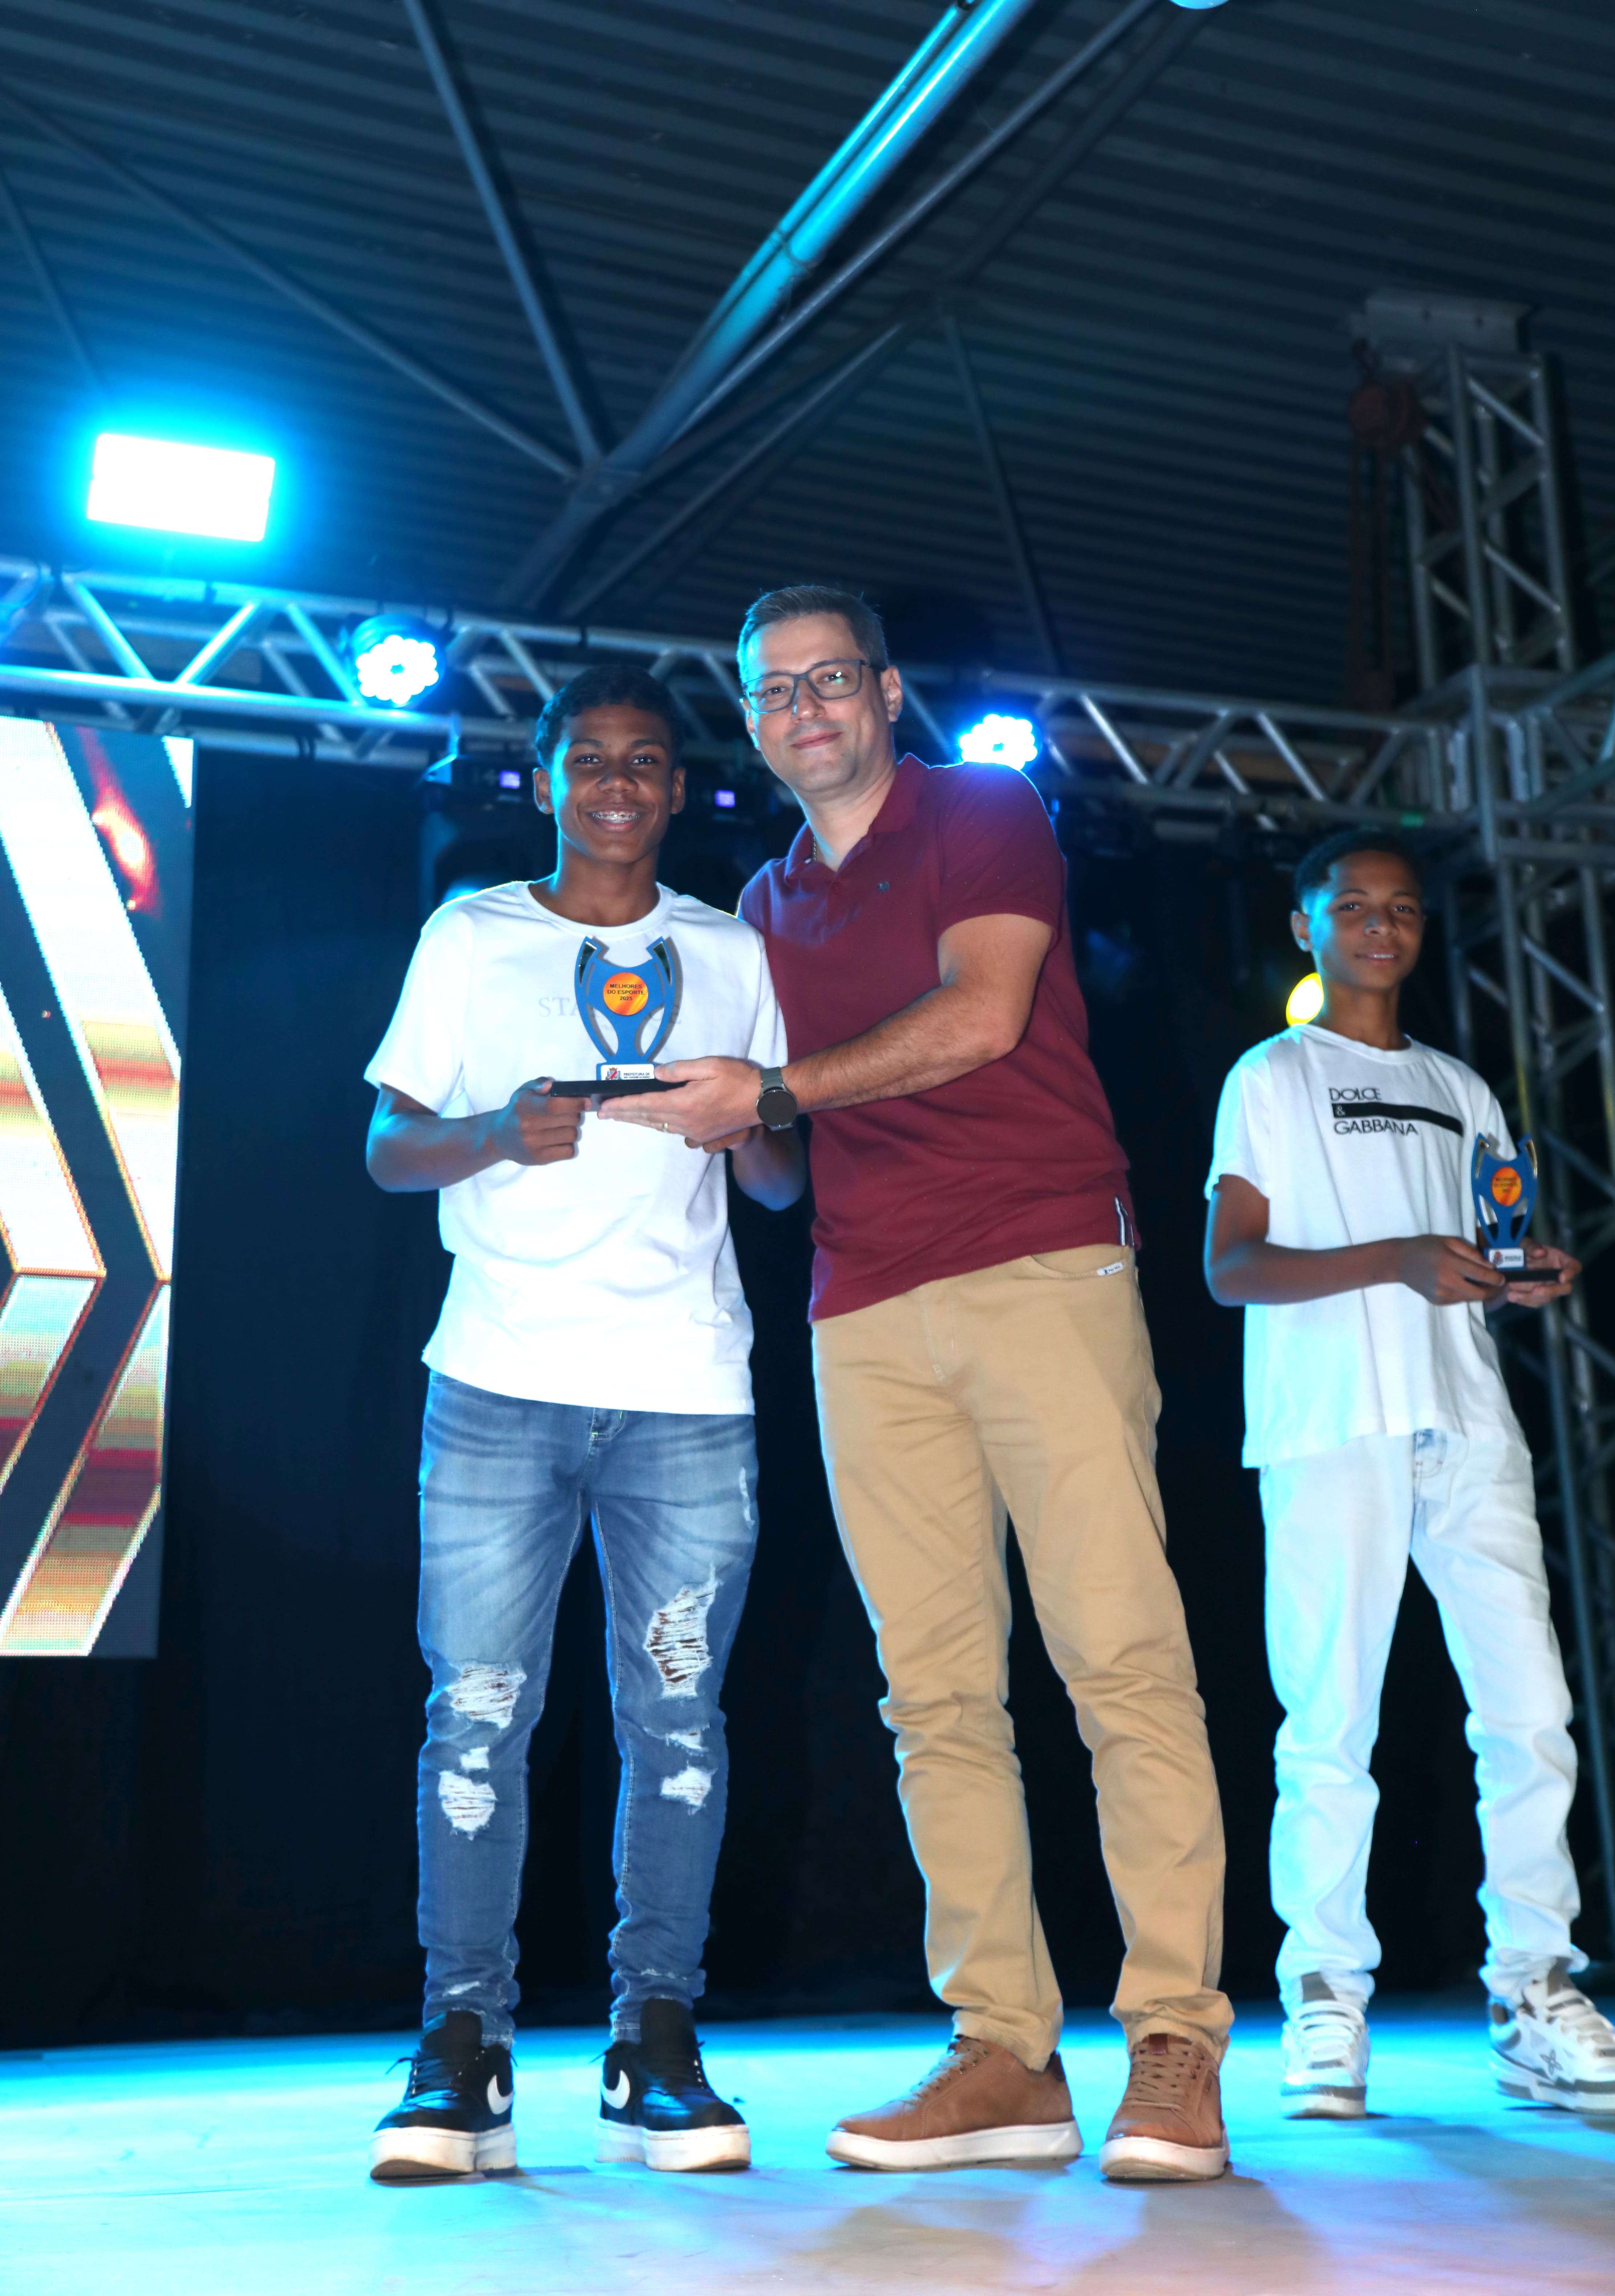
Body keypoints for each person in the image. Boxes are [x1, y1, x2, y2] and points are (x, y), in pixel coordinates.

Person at [602, 584, 1232, 2182]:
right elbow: (775, 1163)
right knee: (935, 1696)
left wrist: (774, 1088)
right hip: (862, 1307)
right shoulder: (760, 903)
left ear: (886, 695)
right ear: (753, 724)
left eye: (831, 679)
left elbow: (984, 1015)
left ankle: (1175, 2039)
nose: (804, 708)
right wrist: (695, 1115)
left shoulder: (981, 809)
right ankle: (1005, 2051)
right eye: (774, 691)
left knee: (1120, 1661)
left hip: (1040, 1263)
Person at [363, 664, 803, 2182]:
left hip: (686, 1391)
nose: (618, 783)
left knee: (678, 1722)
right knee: (478, 1713)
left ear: (680, 788)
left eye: (645, 762)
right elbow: (387, 1147)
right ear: (545, 779)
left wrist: (756, 1118)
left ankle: (654, 2041)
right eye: (591, 760)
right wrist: (496, 1132)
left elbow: (777, 1183)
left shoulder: (733, 950)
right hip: (498, 1382)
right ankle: (461, 2048)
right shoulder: (470, 936)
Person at [1204, 827, 1615, 2119]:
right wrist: (1395, 1258)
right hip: (1332, 1424)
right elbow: (1231, 1267)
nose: (1380, 926)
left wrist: (1514, 1276)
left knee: (1530, 1713)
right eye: (1353, 907)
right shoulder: (1272, 1076)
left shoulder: (1462, 1086)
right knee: (1331, 1723)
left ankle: (1534, 1986)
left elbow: (1473, 1248)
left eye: (1401, 909)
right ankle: (1325, 1993)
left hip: (1468, 1421)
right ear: (1307, 927)